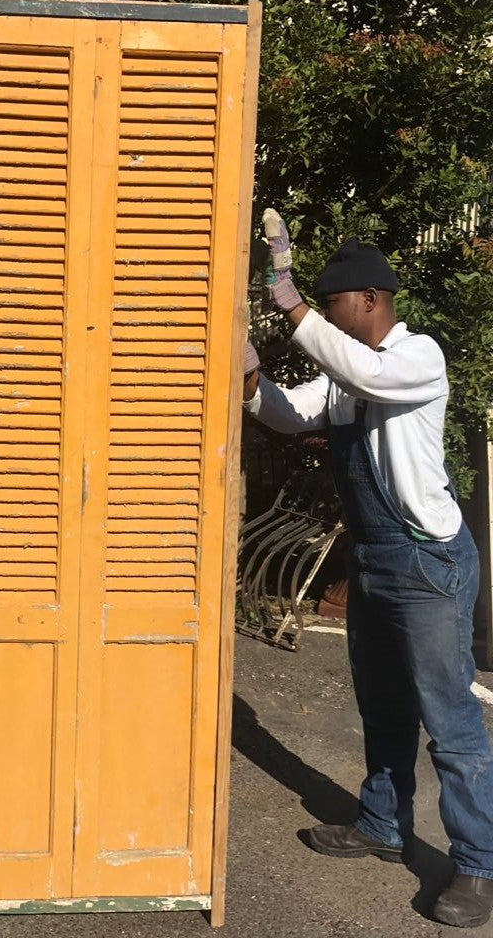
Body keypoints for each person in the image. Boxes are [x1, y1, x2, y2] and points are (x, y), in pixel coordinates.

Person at [244, 210, 493, 929]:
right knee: (383, 706)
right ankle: (383, 826)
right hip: (377, 560)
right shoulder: (352, 377)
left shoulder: (416, 358)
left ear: (372, 300)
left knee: (450, 722)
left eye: (334, 305)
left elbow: (363, 371)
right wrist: (251, 378)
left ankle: (476, 866)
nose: (327, 316)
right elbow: (295, 414)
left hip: (427, 563)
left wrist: (289, 302)